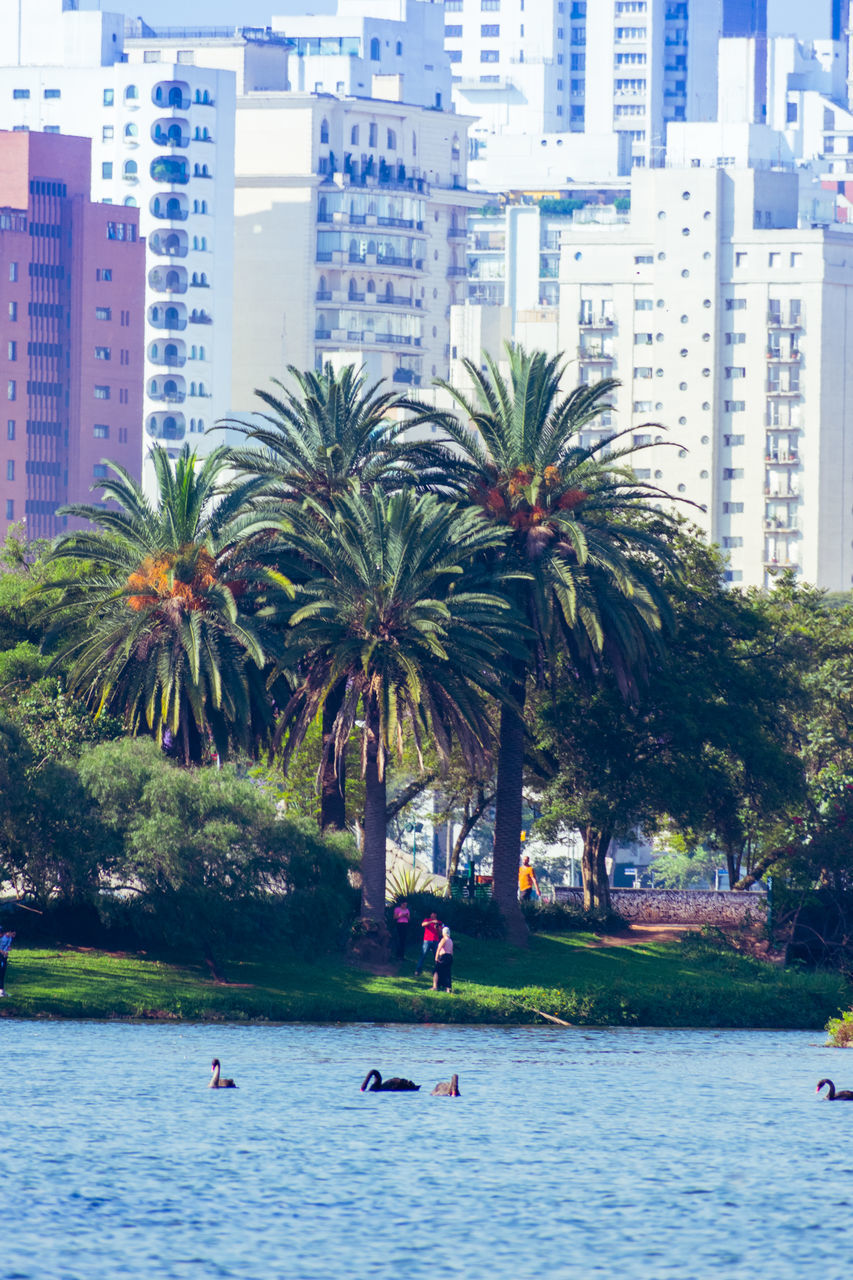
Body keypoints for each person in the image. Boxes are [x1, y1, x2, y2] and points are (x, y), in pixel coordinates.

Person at [414, 911, 443, 976]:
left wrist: (438, 928)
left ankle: (438, 971)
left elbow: (440, 933)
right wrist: (431, 922)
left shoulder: (439, 922)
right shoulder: (427, 920)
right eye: (433, 914)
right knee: (423, 955)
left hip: (435, 941)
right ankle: (418, 970)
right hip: (427, 940)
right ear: (430, 914)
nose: (434, 915)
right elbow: (423, 924)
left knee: (437, 956)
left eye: (435, 914)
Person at [433, 926, 454, 992]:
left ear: (444, 932)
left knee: (436, 971)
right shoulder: (450, 940)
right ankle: (448, 988)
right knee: (447, 973)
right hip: (449, 957)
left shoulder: (444, 939)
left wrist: (436, 957)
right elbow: (451, 951)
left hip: (443, 956)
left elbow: (439, 948)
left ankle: (435, 986)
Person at [0, 929, 15, 997]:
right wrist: (3, 952)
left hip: (4, 956)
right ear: (9, 932)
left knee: (3, 973)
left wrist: (8, 949)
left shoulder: (10, 938)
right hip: (1, 955)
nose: (13, 936)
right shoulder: (2, 937)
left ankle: (2, 991)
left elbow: (7, 946)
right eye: (13, 934)